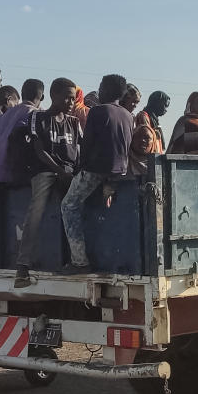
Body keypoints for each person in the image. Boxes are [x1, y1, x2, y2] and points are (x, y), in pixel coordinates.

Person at [60, 75, 135, 272]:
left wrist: (79, 170)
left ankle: (79, 261)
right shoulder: (128, 115)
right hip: (119, 172)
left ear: (107, 91)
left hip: (96, 170)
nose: (99, 90)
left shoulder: (98, 111)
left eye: (101, 87)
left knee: (68, 206)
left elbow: (87, 145)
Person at [15, 79, 82, 287]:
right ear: (53, 95)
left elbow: (81, 151)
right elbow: (39, 149)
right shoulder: (38, 117)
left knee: (76, 209)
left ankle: (79, 261)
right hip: (46, 171)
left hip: (70, 173)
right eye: (67, 97)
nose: (71, 102)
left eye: (73, 98)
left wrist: (74, 173)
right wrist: (59, 171)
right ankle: (22, 266)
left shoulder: (74, 122)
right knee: (36, 212)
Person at [0, 79, 45, 187]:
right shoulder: (35, 114)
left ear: (22, 94)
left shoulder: (4, 115)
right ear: (42, 97)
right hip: (12, 176)